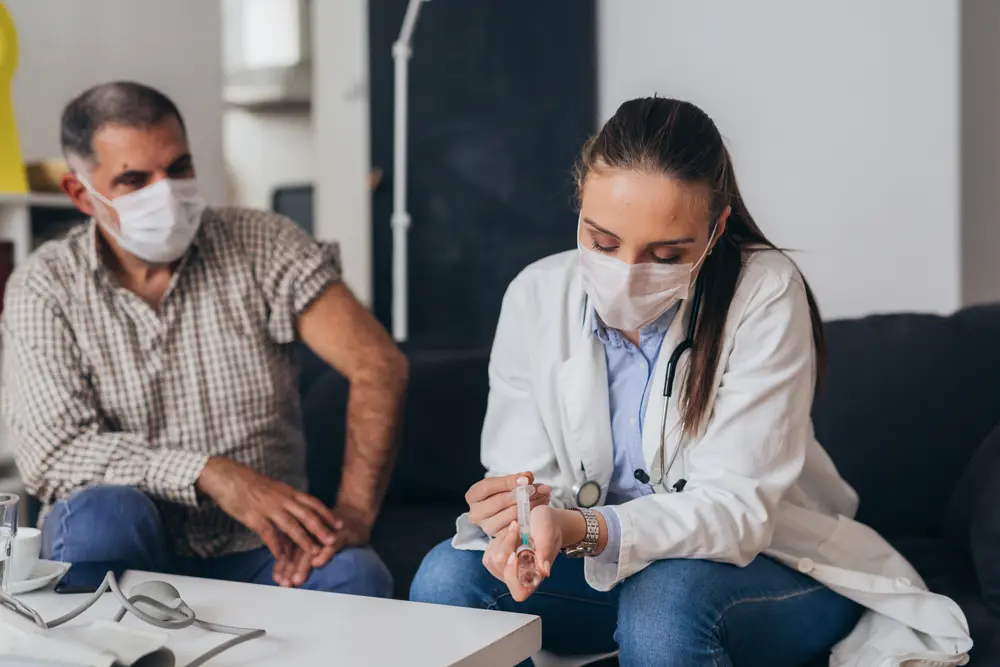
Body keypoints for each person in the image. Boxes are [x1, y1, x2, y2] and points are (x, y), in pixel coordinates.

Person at [409, 97, 972, 666]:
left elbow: (736, 513)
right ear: (580, 201)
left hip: (770, 566)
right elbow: (529, 477)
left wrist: (582, 528)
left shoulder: (765, 292)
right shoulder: (535, 295)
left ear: (715, 229)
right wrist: (521, 521)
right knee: (446, 580)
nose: (627, 275)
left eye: (665, 254)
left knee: (665, 604)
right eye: (603, 243)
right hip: (608, 574)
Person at [0, 82, 407, 598]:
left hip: (263, 547)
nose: (166, 194)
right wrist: (209, 473)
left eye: (179, 168)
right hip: (121, 541)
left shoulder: (265, 243)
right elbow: (53, 453)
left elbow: (377, 364)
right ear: (81, 194)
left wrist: (355, 513)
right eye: (134, 179)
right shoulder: (45, 285)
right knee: (104, 515)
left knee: (358, 575)